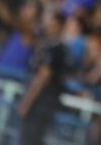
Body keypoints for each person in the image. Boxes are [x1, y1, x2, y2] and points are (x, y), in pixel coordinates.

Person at [18, 12, 67, 145]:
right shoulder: (46, 44)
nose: (49, 27)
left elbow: (44, 76)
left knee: (30, 140)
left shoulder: (57, 49)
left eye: (53, 25)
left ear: (61, 27)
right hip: (38, 102)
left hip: (41, 103)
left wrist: (28, 101)